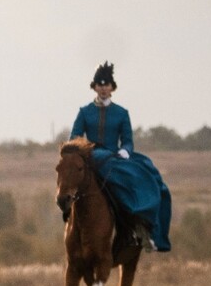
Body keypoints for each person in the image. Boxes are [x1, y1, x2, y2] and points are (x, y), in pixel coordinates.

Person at [68, 62, 172, 252]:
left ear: (112, 88)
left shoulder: (122, 113)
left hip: (113, 157)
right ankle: (68, 211)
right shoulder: (84, 112)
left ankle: (140, 224)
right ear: (95, 87)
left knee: (146, 175)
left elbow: (127, 141)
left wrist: (124, 151)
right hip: (90, 157)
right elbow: (74, 138)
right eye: (100, 84)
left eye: (106, 84)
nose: (103, 88)